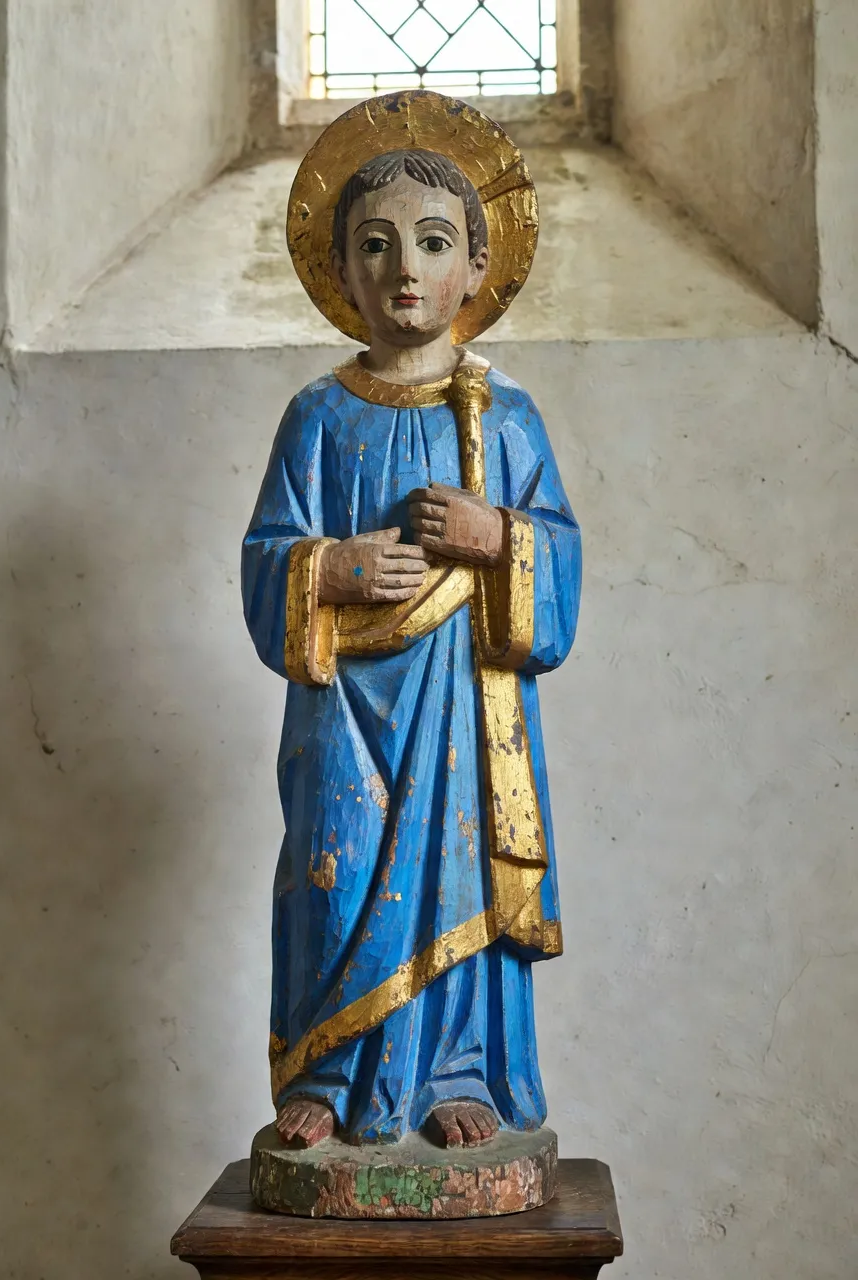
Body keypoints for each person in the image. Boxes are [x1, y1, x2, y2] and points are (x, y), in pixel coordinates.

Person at [242, 94, 581, 1151]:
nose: (404, 269)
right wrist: (330, 565)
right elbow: (264, 562)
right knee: (335, 868)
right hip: (344, 709)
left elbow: (557, 571)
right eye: (375, 245)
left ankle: (455, 1069)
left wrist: (496, 538)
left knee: (454, 869)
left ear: (476, 268)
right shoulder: (317, 417)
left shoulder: (501, 418)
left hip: (458, 710)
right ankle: (330, 1071)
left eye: (433, 244)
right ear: (339, 271)